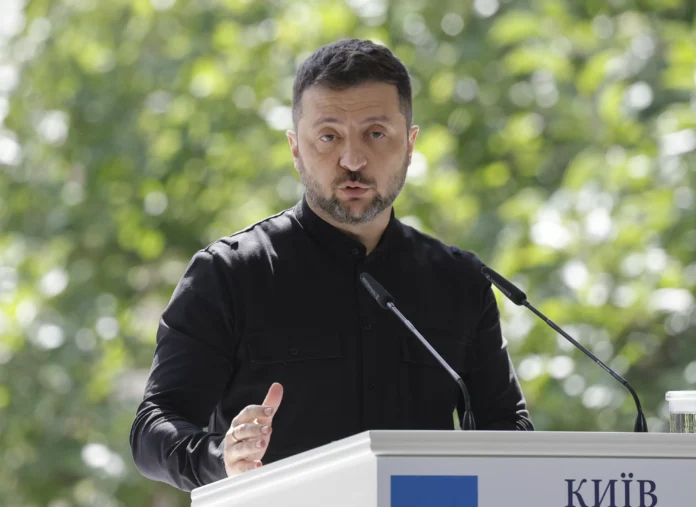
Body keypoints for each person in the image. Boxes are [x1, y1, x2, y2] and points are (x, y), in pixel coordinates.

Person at [129, 38, 533, 492]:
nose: (353, 160)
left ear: (409, 144)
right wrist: (222, 458)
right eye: (328, 137)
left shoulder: (460, 281)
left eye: (375, 134)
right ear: (295, 148)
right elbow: (152, 428)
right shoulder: (228, 274)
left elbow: (508, 427)